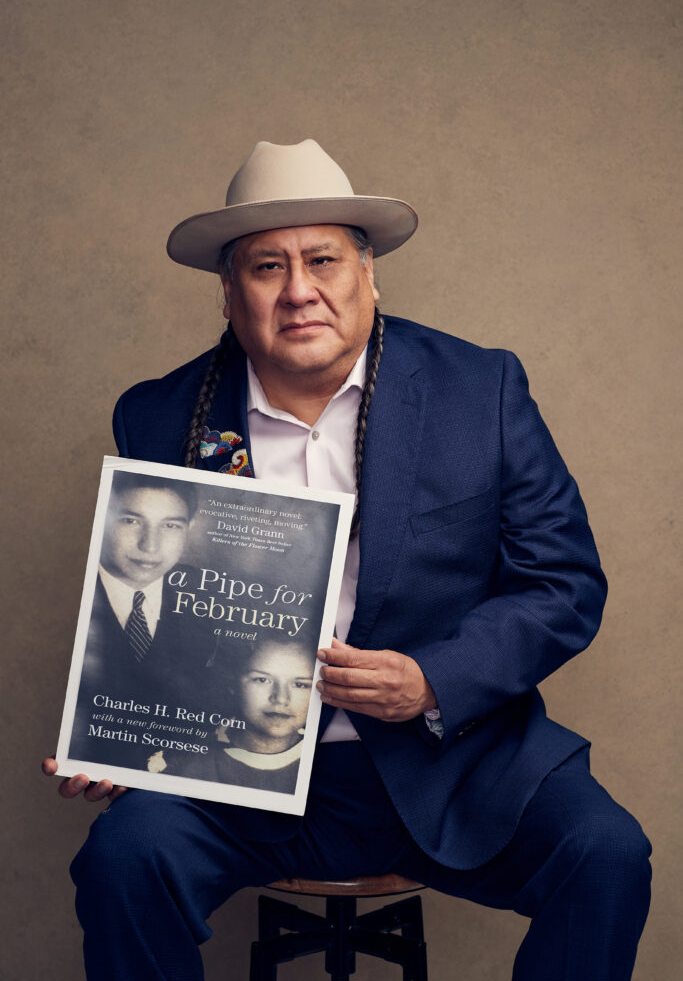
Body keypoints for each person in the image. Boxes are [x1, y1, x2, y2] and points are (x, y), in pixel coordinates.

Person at [43, 139, 651, 980]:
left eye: (322, 259)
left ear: (368, 275)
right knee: (122, 860)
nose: (299, 291)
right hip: (234, 775)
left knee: (607, 855)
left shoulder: (482, 390)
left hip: (453, 758)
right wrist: (117, 734)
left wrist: (432, 680)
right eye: (266, 267)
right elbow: (141, 597)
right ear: (229, 294)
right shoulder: (160, 415)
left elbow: (563, 586)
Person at [68, 472, 214, 769]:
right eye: (130, 520)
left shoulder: (214, 602)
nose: (150, 546)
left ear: (190, 529)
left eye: (171, 525)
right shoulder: (62, 595)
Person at [152, 636, 316, 792]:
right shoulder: (183, 756)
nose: (280, 698)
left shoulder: (320, 765)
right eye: (262, 680)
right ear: (233, 683)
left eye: (300, 684)